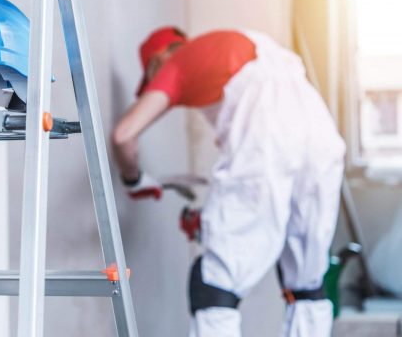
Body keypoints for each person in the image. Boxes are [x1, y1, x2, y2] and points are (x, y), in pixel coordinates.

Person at [111, 27, 345, 337]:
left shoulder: (178, 64)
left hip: (270, 140)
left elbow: (123, 136)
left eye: (153, 78)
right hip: (322, 136)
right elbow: (263, 188)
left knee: (213, 284)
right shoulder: (249, 49)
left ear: (159, 60)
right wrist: (211, 221)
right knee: (306, 285)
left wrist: (134, 180)